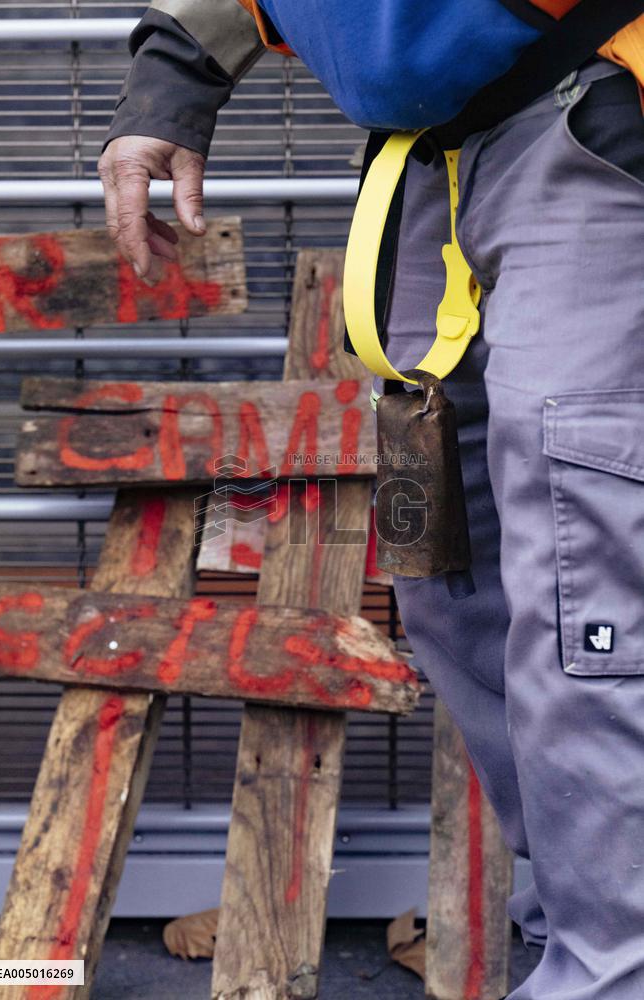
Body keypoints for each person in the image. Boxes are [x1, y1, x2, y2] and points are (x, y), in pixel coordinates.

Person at [99, 3, 644, 997]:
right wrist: (184, 63)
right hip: (434, 154)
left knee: (587, 596)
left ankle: (617, 964)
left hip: (600, 108)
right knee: (450, 584)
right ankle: (577, 919)